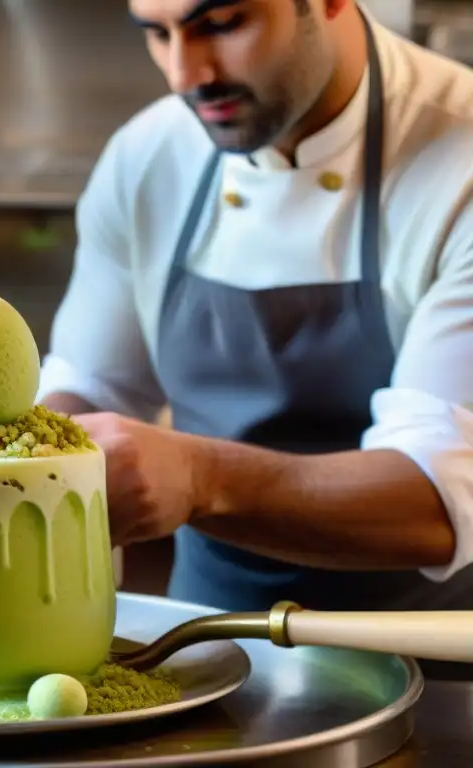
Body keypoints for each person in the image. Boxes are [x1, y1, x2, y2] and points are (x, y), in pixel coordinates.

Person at [38, 0, 473, 615]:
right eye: (157, 36)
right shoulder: (148, 153)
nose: (185, 75)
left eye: (220, 25)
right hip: (206, 640)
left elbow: (441, 500)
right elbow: (94, 381)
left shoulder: (460, 158)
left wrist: (198, 478)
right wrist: (14, 462)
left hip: (430, 660)